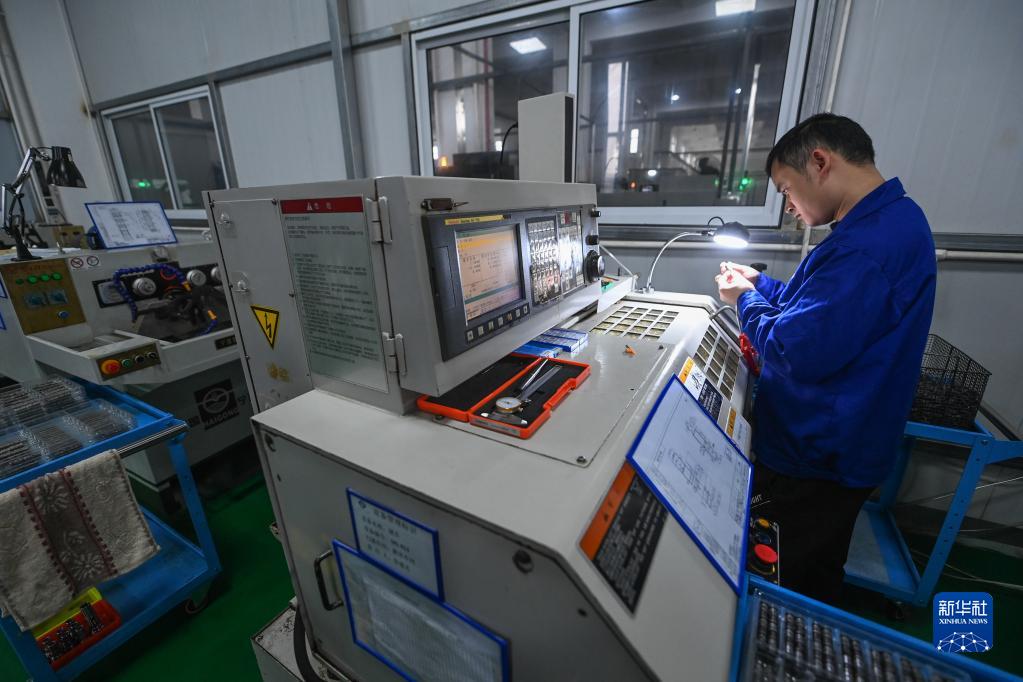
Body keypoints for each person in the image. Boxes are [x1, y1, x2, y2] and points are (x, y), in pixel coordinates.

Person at [714, 113, 936, 605]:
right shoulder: (892, 221)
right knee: (815, 564)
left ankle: (778, 636)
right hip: (841, 444)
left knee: (784, 576)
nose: (789, 206)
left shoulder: (867, 247)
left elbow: (793, 347)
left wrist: (742, 300)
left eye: (786, 190)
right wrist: (760, 283)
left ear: (819, 163)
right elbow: (815, 309)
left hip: (816, 455)